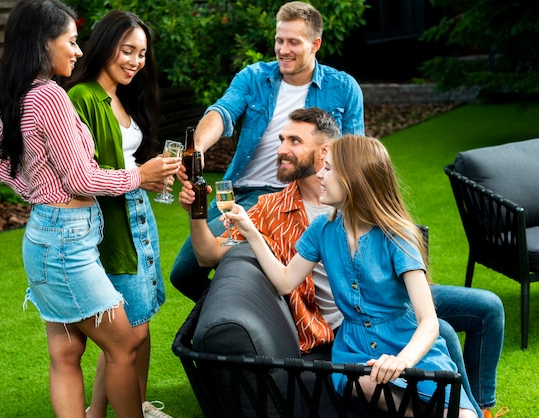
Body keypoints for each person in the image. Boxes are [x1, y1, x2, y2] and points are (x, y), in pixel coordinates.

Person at [180, 108, 502, 417]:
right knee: (384, 383)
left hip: (399, 333)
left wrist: (401, 362)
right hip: (354, 346)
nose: (321, 173)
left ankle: (471, 408)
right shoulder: (318, 228)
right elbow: (283, 281)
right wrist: (250, 231)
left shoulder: (395, 234)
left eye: (329, 168)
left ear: (352, 178)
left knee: (451, 353)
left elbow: (428, 321)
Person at [0, 1, 179, 416]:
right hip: (66, 243)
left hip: (49, 235)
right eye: (70, 41)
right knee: (124, 344)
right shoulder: (51, 95)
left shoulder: (23, 92)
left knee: (66, 354)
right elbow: (82, 181)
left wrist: (39, 193)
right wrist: (139, 177)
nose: (77, 51)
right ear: (42, 43)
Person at [170, 0, 365, 301]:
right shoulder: (254, 77)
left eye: (293, 42)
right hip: (240, 192)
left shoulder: (343, 88)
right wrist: (197, 149)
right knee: (183, 272)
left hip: (295, 195)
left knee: (210, 259)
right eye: (279, 40)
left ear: (315, 44)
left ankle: (243, 318)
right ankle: (234, 316)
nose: (283, 49)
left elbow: (355, 154)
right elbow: (221, 112)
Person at [65, 10, 171, 418]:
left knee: (141, 325)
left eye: (142, 53)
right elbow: (82, 173)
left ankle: (136, 405)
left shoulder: (121, 96)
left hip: (138, 216)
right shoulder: (82, 97)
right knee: (129, 331)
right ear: (105, 45)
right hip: (109, 224)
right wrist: (138, 176)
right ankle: (99, 412)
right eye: (127, 50)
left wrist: (152, 177)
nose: (135, 61)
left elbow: (128, 165)